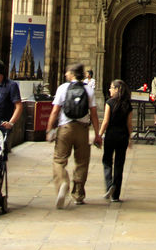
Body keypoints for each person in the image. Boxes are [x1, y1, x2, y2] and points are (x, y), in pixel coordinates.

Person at [45, 63, 102, 207]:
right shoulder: (88, 90)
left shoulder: (63, 88)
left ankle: (63, 183)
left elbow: (54, 111)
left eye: (67, 72)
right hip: (82, 129)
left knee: (59, 160)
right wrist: (97, 134)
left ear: (72, 74)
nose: (65, 74)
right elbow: (94, 114)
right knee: (82, 162)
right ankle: (78, 194)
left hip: (65, 128)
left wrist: (49, 130)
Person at [99, 78, 133, 203]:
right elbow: (129, 124)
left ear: (117, 89)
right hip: (123, 137)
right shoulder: (128, 104)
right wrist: (130, 138)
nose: (109, 89)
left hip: (111, 136)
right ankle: (116, 195)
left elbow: (106, 121)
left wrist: (99, 134)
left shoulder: (109, 102)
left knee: (107, 161)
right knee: (119, 164)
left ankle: (109, 185)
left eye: (111, 87)